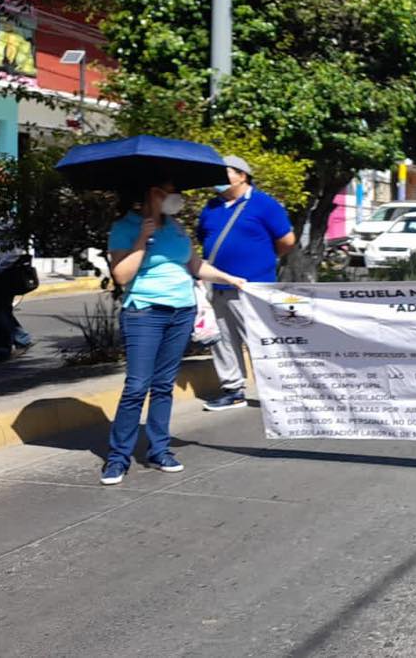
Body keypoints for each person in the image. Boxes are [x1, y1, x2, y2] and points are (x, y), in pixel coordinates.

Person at [102, 179, 247, 486]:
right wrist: (143, 238)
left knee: (164, 385)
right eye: (168, 190)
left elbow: (193, 263)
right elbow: (121, 275)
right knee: (137, 386)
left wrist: (229, 278)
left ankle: (159, 450)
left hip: (181, 312)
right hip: (145, 312)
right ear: (150, 193)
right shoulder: (125, 227)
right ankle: (118, 458)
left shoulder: (176, 227)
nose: (176, 196)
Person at [196, 155, 297, 412]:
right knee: (223, 341)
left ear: (242, 175)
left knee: (259, 341)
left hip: (253, 288)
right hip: (217, 287)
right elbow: (203, 238)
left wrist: (259, 261)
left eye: (224, 173)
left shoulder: (264, 204)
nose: (218, 179)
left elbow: (286, 241)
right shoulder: (211, 207)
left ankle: (276, 392)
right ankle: (233, 390)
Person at [0, 218, 35, 364]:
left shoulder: (9, 224)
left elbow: (14, 252)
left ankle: (16, 342)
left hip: (3, 274)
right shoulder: (1, 222)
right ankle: (1, 349)